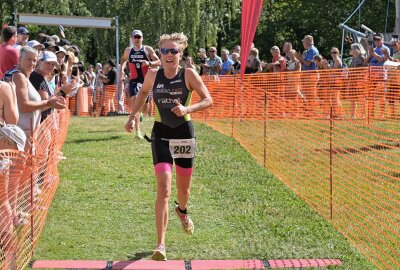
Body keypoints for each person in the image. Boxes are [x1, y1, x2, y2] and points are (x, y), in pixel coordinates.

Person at [124, 32, 212, 261]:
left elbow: (207, 99)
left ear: (180, 53)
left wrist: (187, 110)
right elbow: (143, 94)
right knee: (163, 189)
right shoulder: (153, 75)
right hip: (161, 134)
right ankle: (160, 244)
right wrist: (132, 117)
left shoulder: (189, 74)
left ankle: (182, 210)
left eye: (174, 51)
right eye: (165, 51)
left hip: (184, 135)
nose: (169, 55)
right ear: (159, 54)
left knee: (183, 192)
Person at [13, 46, 66, 136]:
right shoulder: (19, 76)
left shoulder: (26, 76)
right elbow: (24, 106)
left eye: (34, 60)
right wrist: (61, 94)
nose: (32, 63)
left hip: (30, 131)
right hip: (22, 131)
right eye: (29, 59)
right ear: (20, 59)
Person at [120, 30, 160, 139]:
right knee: (135, 101)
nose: (137, 39)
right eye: (135, 37)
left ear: (142, 38)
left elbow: (159, 62)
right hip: (133, 80)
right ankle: (138, 131)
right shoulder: (128, 51)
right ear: (132, 39)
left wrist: (149, 63)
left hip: (145, 81)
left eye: (139, 37)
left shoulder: (147, 49)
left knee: (145, 109)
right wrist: (122, 70)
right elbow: (123, 59)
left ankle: (140, 113)